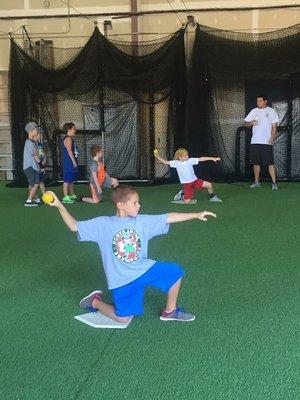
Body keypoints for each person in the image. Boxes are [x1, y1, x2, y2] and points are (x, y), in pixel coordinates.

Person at [45, 184, 216, 323]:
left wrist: (196, 214)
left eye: (138, 202)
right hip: (121, 280)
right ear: (120, 205)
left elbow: (168, 217)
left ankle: (170, 312)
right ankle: (95, 301)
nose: (139, 206)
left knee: (175, 272)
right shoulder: (102, 225)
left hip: (143, 269)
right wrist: (59, 205)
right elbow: (75, 226)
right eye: (135, 203)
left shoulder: (142, 222)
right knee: (123, 317)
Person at [154, 148, 222, 203]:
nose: (187, 156)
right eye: (185, 156)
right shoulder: (176, 163)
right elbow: (165, 162)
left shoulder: (190, 160)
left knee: (209, 185)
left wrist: (213, 158)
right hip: (186, 184)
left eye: (187, 155)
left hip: (195, 181)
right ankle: (182, 194)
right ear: (180, 157)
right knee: (187, 202)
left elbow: (201, 158)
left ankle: (212, 197)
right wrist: (157, 156)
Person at [244, 94, 279, 190]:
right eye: (257, 101)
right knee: (256, 163)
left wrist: (272, 138)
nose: (258, 102)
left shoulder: (271, 112)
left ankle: (274, 183)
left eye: (260, 100)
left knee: (270, 163)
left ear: (265, 101)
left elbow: (274, 126)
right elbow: (246, 124)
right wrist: (251, 123)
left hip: (266, 142)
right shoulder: (254, 111)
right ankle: (256, 182)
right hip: (255, 142)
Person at [23, 121, 43, 207]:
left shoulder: (32, 142)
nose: (38, 130)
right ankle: (29, 200)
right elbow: (35, 156)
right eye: (36, 129)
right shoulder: (29, 143)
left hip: (31, 167)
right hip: (30, 167)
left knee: (32, 184)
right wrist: (41, 165)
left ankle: (36, 198)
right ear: (31, 131)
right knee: (36, 183)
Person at [61, 122, 79, 204]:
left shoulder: (70, 139)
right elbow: (69, 150)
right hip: (68, 163)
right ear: (69, 130)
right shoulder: (68, 139)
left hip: (70, 162)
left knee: (71, 179)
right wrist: (73, 161)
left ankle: (71, 195)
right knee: (67, 180)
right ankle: (65, 197)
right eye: (74, 128)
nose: (75, 130)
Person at [33, 127, 47, 203]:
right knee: (34, 182)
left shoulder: (40, 144)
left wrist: (44, 160)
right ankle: (34, 197)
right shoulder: (32, 144)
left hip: (41, 165)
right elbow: (34, 155)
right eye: (38, 134)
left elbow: (43, 153)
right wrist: (39, 163)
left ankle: (44, 195)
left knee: (41, 181)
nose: (39, 136)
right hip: (36, 166)